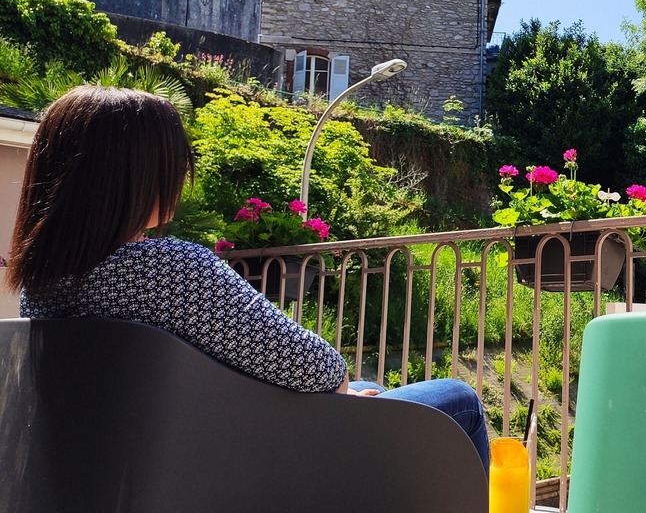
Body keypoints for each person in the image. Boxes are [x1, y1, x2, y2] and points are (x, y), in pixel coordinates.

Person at [5, 85, 489, 469]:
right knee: (458, 399)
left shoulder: (42, 289)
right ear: (137, 177)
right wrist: (347, 395)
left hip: (140, 475)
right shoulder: (170, 271)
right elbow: (316, 369)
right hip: (243, 474)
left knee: (367, 391)